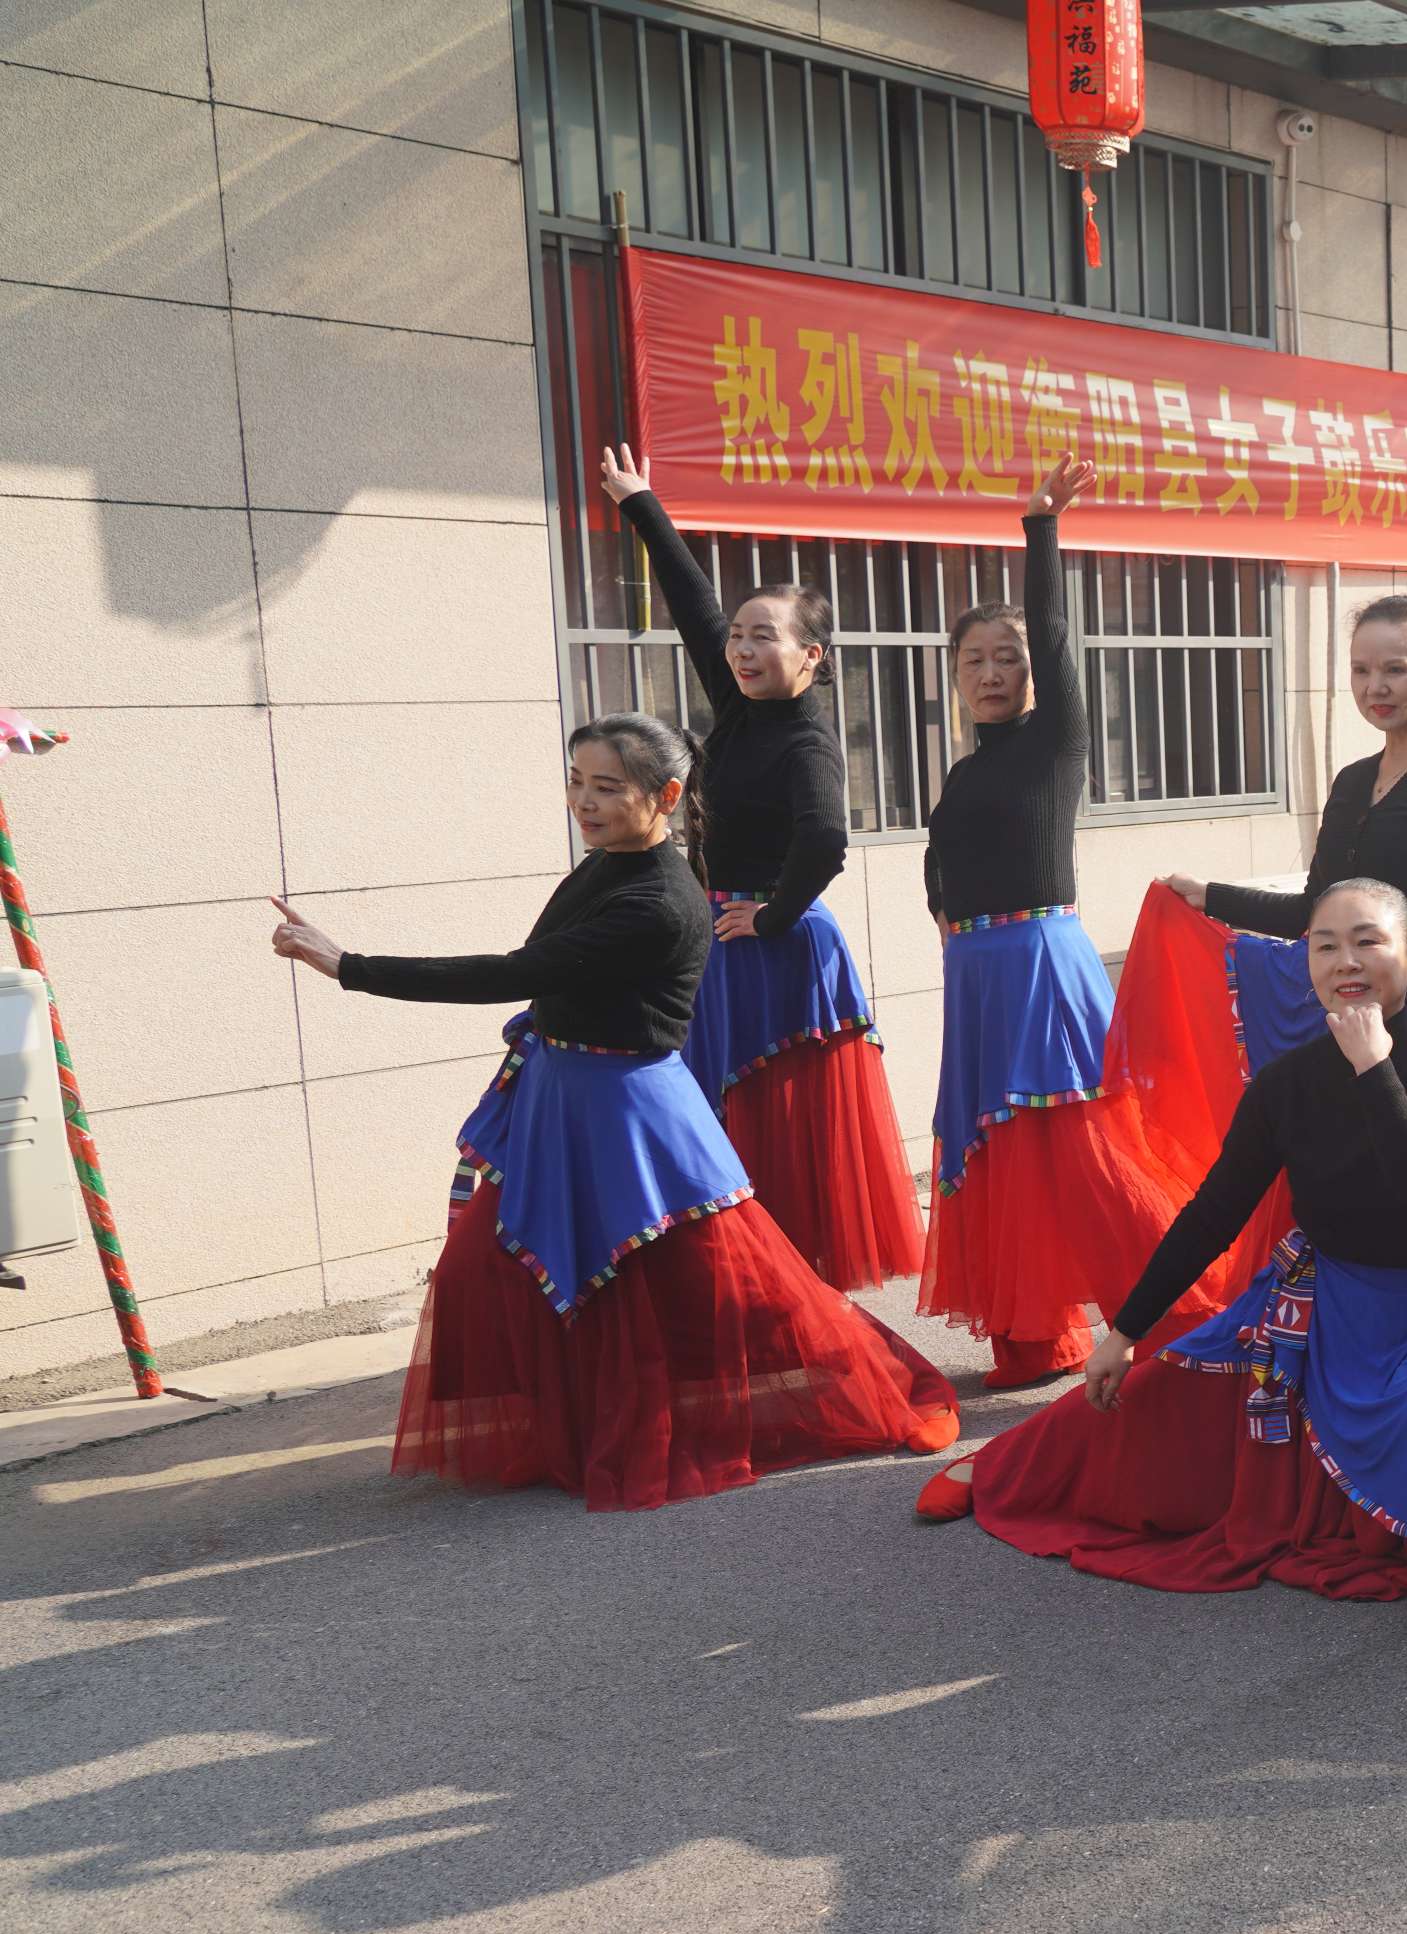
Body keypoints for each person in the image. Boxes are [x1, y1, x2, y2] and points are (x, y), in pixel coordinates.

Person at [268, 715, 958, 1509]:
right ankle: (569, 1426)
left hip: (632, 1117)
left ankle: (856, 1392)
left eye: (606, 787)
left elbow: (515, 972)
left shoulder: (659, 900)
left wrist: (347, 965)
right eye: (576, 782)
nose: (584, 802)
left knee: (726, 1290)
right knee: (487, 1270)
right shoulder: (603, 869)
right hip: (559, 1098)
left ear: (666, 795)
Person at [914, 881, 1407, 1600]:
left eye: (1368, 942)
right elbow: (1213, 1214)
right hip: (1329, 1302)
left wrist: (1373, 1068)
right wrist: (1125, 1332)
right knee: (1157, 1384)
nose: (1346, 962)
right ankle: (1005, 1465)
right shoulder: (1285, 1084)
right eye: (1325, 946)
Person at [595, 443, 922, 1292]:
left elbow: (826, 839)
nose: (740, 649)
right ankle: (743, 1278)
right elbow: (694, 605)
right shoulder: (741, 706)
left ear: (812, 655)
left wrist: (773, 915)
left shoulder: (808, 739)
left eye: (762, 637)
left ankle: (785, 1283)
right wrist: (642, 506)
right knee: (722, 1109)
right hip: (728, 933)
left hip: (773, 947)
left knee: (769, 1122)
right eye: (739, 637)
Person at [913, 454, 1192, 1389]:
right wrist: (946, 920)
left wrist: (1040, 529)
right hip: (977, 977)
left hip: (1039, 962)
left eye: (1009, 658)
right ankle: (1033, 1337)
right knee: (1003, 1154)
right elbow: (941, 860)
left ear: (1036, 672)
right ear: (956, 675)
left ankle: (1176, 1310)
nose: (991, 673)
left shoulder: (1055, 743)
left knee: (1084, 1152)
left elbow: (1055, 630)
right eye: (974, 660)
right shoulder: (963, 771)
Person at [1161, 592, 1407, 1049]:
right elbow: (1312, 909)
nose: (1375, 687)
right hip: (1347, 1013)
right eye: (1361, 670)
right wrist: (1209, 896)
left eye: (1395, 670)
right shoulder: (1353, 781)